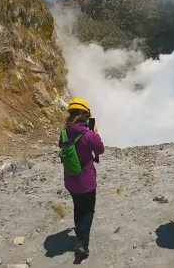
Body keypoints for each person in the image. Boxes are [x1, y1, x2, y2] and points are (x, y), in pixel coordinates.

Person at [58, 98, 105, 258]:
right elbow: (100, 149)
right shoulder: (89, 135)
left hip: (70, 180)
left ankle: (80, 237)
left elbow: (61, 146)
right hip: (86, 181)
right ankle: (82, 244)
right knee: (88, 210)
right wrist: (96, 134)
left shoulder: (64, 133)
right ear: (86, 115)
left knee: (78, 208)